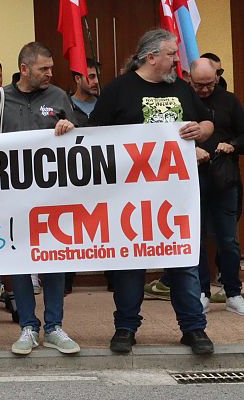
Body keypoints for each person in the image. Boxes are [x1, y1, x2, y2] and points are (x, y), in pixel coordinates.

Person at [90, 28, 215, 355]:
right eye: (171, 54)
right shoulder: (119, 90)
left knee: (183, 261)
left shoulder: (181, 89)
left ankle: (194, 329)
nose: (177, 60)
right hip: (130, 196)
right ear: (151, 57)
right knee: (130, 261)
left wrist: (200, 131)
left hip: (177, 196)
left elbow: (207, 123)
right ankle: (125, 328)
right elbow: (93, 135)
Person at [0, 42, 80, 356]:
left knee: (54, 259)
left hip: (52, 195)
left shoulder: (59, 97)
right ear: (24, 69)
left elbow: (80, 140)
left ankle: (54, 327)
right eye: (43, 69)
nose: (50, 73)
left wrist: (70, 127)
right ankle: (28, 326)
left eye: (51, 68)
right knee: (19, 260)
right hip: (12, 197)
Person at [189, 58, 244, 315]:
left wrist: (232, 145)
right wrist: (191, 149)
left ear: (217, 76)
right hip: (191, 177)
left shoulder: (229, 101)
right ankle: (201, 292)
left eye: (209, 84)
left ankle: (233, 292)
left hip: (224, 177)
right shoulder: (183, 99)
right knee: (196, 238)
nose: (204, 90)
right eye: (198, 85)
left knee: (228, 239)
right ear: (189, 79)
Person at [70, 57, 100, 127]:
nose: (96, 81)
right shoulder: (66, 105)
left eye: (98, 77)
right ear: (78, 79)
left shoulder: (104, 104)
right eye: (91, 77)